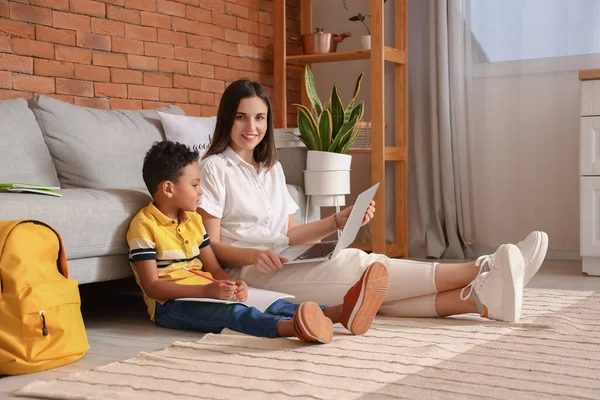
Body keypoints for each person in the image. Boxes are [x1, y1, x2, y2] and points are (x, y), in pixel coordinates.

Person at [197, 79, 550, 323]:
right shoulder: (213, 168)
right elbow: (211, 245)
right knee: (360, 269)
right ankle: (485, 269)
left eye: (259, 118)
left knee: (372, 288)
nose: (251, 127)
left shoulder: (270, 168)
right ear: (228, 118)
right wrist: (255, 256)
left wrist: (340, 220)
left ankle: (483, 301)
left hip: (284, 260)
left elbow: (290, 235)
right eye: (242, 116)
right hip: (252, 274)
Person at [126, 141, 390, 344]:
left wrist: (230, 283)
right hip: (170, 307)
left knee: (268, 300)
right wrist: (208, 292)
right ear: (169, 189)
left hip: (209, 290)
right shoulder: (144, 226)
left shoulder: (194, 221)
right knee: (235, 314)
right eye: (195, 185)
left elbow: (213, 268)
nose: (200, 191)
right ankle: (296, 328)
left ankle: (339, 313)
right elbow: (153, 288)